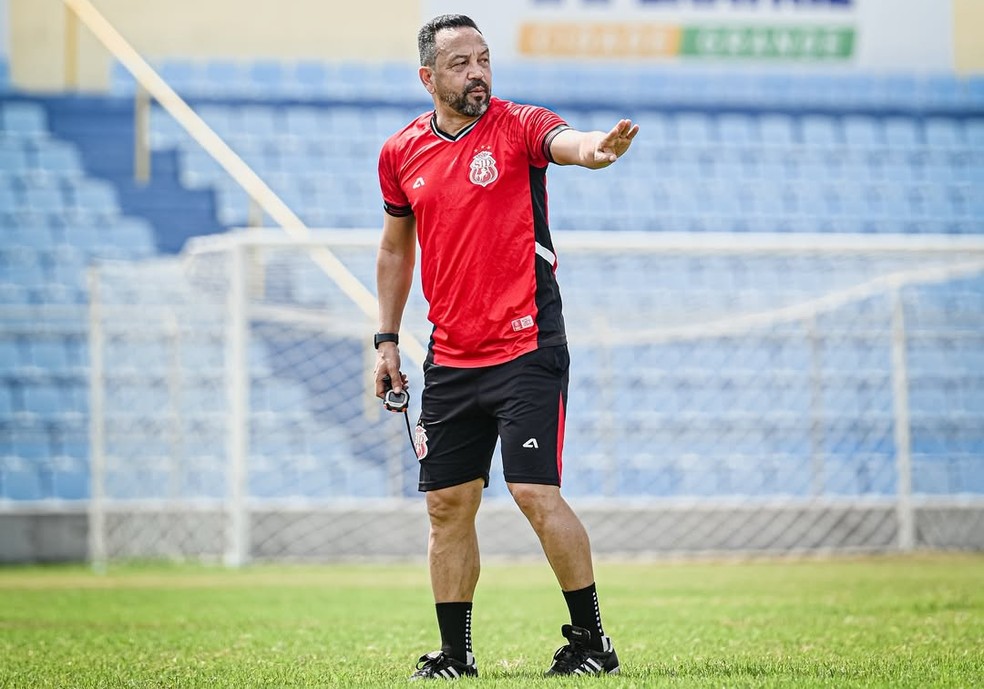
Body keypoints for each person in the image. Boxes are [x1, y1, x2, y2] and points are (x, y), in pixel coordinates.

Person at [373, 13, 638, 681]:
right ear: (428, 77)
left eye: (484, 59)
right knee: (446, 504)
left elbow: (568, 142)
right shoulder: (401, 152)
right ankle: (456, 655)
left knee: (532, 491)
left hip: (527, 344)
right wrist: (384, 340)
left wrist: (594, 149)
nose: (478, 72)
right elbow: (394, 249)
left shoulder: (518, 125)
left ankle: (592, 642)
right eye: (461, 63)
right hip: (452, 355)